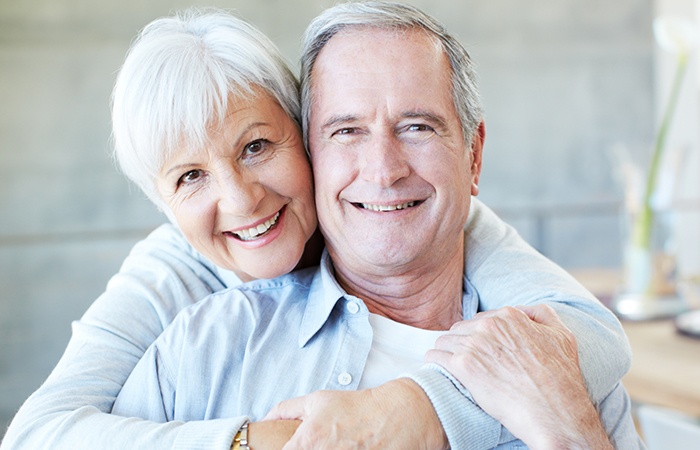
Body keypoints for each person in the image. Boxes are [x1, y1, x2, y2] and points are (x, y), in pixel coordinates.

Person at [1, 5, 632, 450]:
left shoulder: (542, 358)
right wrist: (266, 443)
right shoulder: (196, 336)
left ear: (473, 156)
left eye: (255, 147)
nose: (241, 199)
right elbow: (38, 439)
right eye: (347, 131)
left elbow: (595, 332)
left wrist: (422, 410)